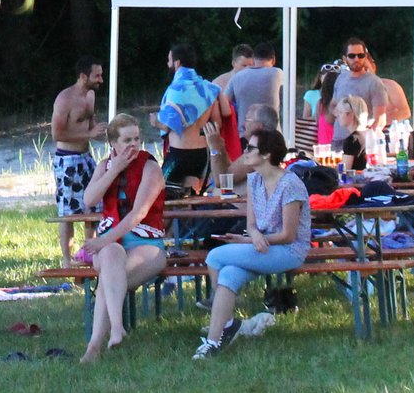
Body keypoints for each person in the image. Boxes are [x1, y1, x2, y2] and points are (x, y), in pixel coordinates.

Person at [193, 128, 310, 359]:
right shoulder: (254, 180)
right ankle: (213, 342)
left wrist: (255, 238)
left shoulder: (290, 184)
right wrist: (250, 236)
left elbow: (288, 234)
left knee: (215, 257)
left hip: (288, 250)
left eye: (250, 148)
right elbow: (252, 223)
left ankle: (225, 325)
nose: (245, 152)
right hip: (263, 247)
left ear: (266, 155)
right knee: (227, 274)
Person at [78, 114, 167, 363]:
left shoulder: (150, 167)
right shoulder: (105, 166)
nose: (134, 145)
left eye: (137, 139)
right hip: (110, 245)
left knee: (109, 274)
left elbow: (138, 214)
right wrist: (114, 170)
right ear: (113, 144)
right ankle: (117, 328)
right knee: (111, 257)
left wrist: (103, 241)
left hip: (145, 242)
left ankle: (94, 345)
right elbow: (89, 200)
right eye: (127, 140)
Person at [48, 57, 105, 264]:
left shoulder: (90, 96)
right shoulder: (65, 99)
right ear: (83, 76)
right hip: (68, 160)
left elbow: (89, 123)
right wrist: (89, 135)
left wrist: (100, 131)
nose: (101, 79)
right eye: (97, 75)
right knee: (69, 211)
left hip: (86, 157)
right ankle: (67, 260)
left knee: (93, 205)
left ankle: (88, 254)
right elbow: (57, 134)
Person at [156, 43, 219, 196]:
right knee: (193, 201)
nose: (168, 64)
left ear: (177, 63)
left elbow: (166, 126)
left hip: (179, 153)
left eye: (169, 60)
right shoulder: (208, 88)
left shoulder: (175, 90)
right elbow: (217, 123)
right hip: (202, 154)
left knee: (162, 197)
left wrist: (154, 121)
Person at [329, 37, 387, 162]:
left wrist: (365, 141)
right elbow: (333, 105)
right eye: (352, 55)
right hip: (338, 140)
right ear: (345, 59)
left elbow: (380, 120)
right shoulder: (340, 79)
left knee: (349, 178)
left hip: (359, 144)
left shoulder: (374, 82)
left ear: (366, 57)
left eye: (361, 55)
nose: (357, 59)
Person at [206, 44, 252, 179]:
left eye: (251, 65)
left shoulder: (252, 81)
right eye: (244, 65)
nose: (248, 69)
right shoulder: (219, 83)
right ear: (233, 63)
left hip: (245, 132)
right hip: (226, 133)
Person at [225, 42, 285, 142]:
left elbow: (225, 102)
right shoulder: (278, 74)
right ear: (273, 59)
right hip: (272, 135)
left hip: (245, 135)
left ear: (253, 58)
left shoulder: (237, 77)